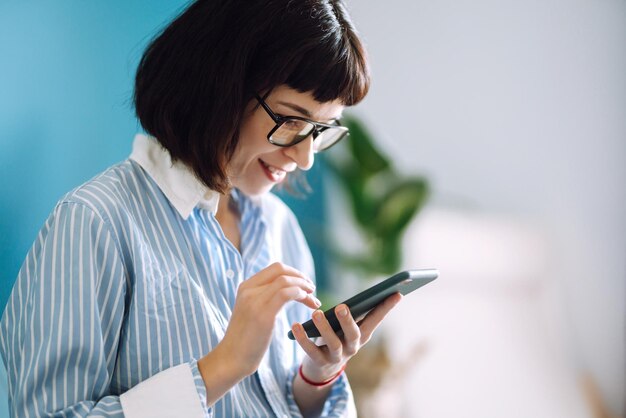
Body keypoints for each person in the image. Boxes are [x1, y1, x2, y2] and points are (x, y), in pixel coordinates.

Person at [0, 0, 403, 417]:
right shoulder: (94, 222)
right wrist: (222, 366)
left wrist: (318, 374)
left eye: (320, 130)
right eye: (290, 121)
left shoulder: (279, 227)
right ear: (217, 87)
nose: (304, 159)